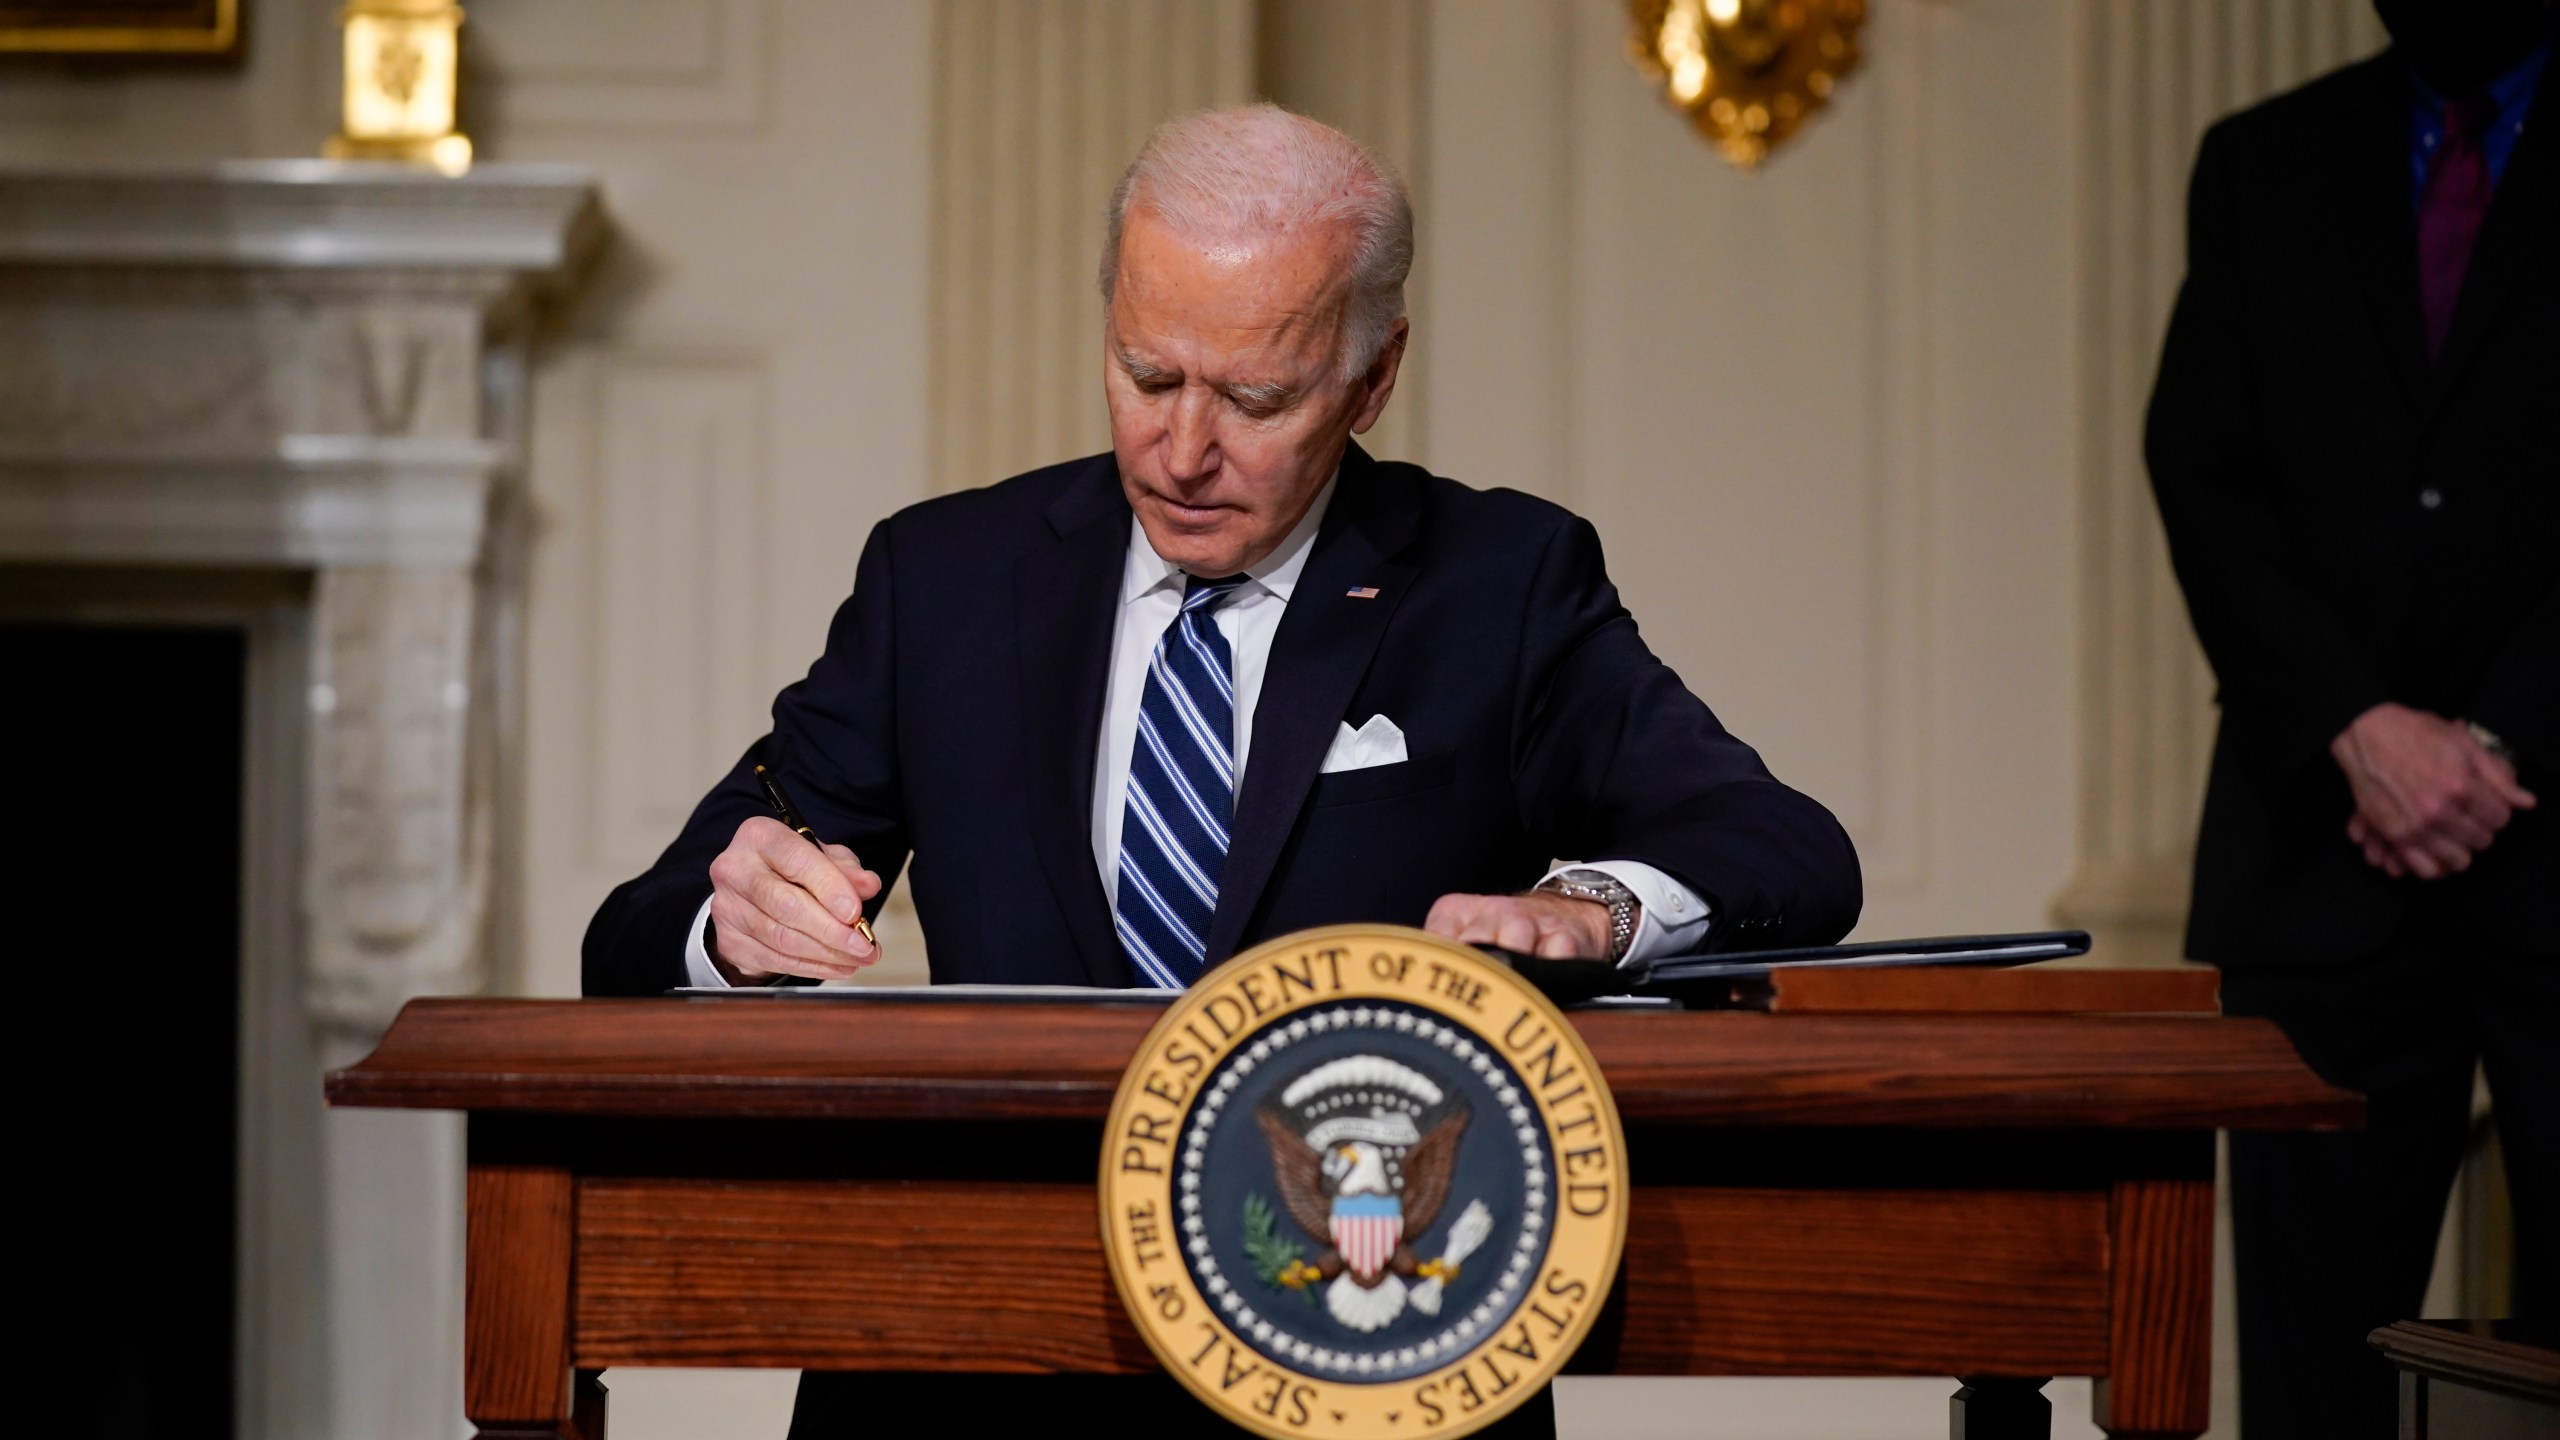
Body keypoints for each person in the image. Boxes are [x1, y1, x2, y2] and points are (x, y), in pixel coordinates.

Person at [584, 106, 1861, 1434]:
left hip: (1366, 1349)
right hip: (968, 1345)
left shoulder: (1503, 588)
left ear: (1373, 379)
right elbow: (633, 935)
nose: (1183, 452)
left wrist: (1596, 909)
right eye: (1147, 376)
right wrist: (729, 930)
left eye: (1256, 400)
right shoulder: (944, 581)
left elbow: (1786, 849)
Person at [2146, 3, 2558, 1437]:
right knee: (2314, 1388)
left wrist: (2499, 742)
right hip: (2321, 856)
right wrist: (2359, 726)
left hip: (2558, 841)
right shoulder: (2264, 157)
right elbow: (2202, 472)